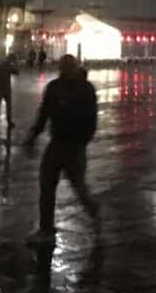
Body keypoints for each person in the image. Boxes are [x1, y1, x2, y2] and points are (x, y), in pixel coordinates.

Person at [23, 56, 99, 244]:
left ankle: (48, 230)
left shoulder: (57, 87)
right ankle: (90, 210)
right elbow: (91, 119)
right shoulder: (84, 88)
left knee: (53, 186)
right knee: (68, 185)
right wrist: (84, 139)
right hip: (67, 144)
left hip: (63, 144)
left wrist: (33, 137)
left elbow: (43, 115)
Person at [0, 53, 18, 129]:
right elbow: (16, 72)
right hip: (3, 89)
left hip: (2, 89)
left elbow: (16, 72)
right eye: (13, 60)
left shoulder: (1, 66)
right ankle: (6, 122)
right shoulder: (6, 66)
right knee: (3, 106)